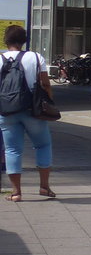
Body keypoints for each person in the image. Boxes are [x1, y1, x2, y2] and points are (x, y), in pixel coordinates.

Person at [1, 25, 55, 202]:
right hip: (33, 110)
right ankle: (44, 187)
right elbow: (45, 84)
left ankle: (16, 192)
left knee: (12, 149)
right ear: (24, 40)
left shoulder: (0, 59)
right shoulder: (35, 57)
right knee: (43, 145)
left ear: (6, 40)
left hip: (7, 111)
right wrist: (49, 102)